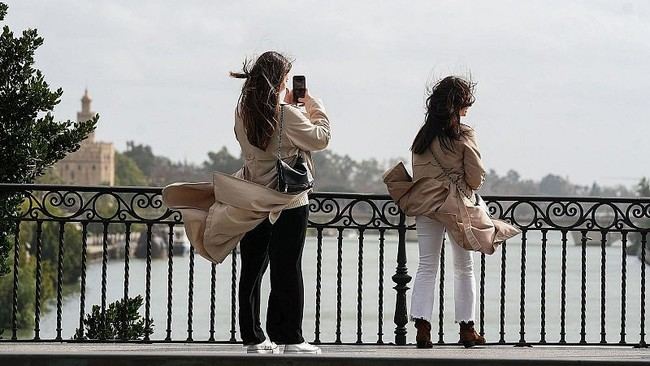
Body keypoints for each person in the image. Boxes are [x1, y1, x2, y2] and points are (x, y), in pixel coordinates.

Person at [383, 76, 519, 348]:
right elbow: (475, 175)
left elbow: (420, 173)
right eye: (466, 101)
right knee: (464, 267)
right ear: (458, 104)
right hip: (457, 208)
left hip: (426, 206)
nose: (468, 107)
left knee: (426, 266)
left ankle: (422, 328)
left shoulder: (422, 137)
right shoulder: (464, 134)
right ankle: (467, 329)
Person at [229, 51, 330, 354]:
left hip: (252, 196)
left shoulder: (242, 112)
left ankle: (254, 337)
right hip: (288, 199)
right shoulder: (287, 114)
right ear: (279, 80)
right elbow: (322, 137)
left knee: (252, 268)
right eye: (286, 78)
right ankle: (289, 337)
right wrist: (311, 104)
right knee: (287, 268)